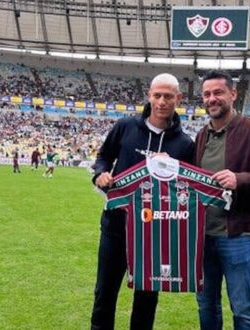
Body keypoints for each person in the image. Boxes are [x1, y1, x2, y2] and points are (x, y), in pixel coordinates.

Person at [91, 73, 194, 330]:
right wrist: (99, 175)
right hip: (117, 224)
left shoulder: (184, 144)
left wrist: (171, 166)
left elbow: (187, 189)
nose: (162, 101)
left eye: (168, 96)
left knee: (147, 297)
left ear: (178, 99)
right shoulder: (125, 127)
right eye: (157, 95)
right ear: (149, 95)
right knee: (105, 292)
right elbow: (103, 157)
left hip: (155, 230)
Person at [194, 71, 250, 330]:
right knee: (206, 304)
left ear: (233, 94)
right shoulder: (202, 136)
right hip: (203, 236)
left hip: (239, 234)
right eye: (207, 94)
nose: (212, 99)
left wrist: (241, 179)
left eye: (218, 92)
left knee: (243, 308)